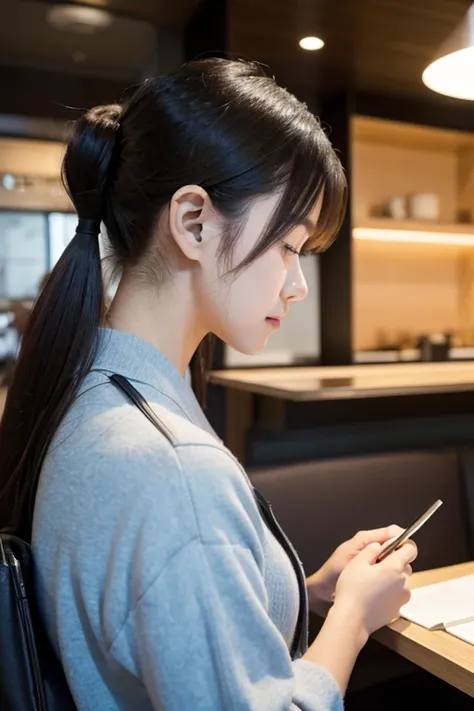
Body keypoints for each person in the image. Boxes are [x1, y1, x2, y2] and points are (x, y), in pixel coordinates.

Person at [0, 58, 417, 711]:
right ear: (193, 220)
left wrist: (308, 592)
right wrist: (354, 618)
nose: (296, 282)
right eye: (288, 243)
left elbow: (151, 616)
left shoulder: (93, 394)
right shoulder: (168, 468)